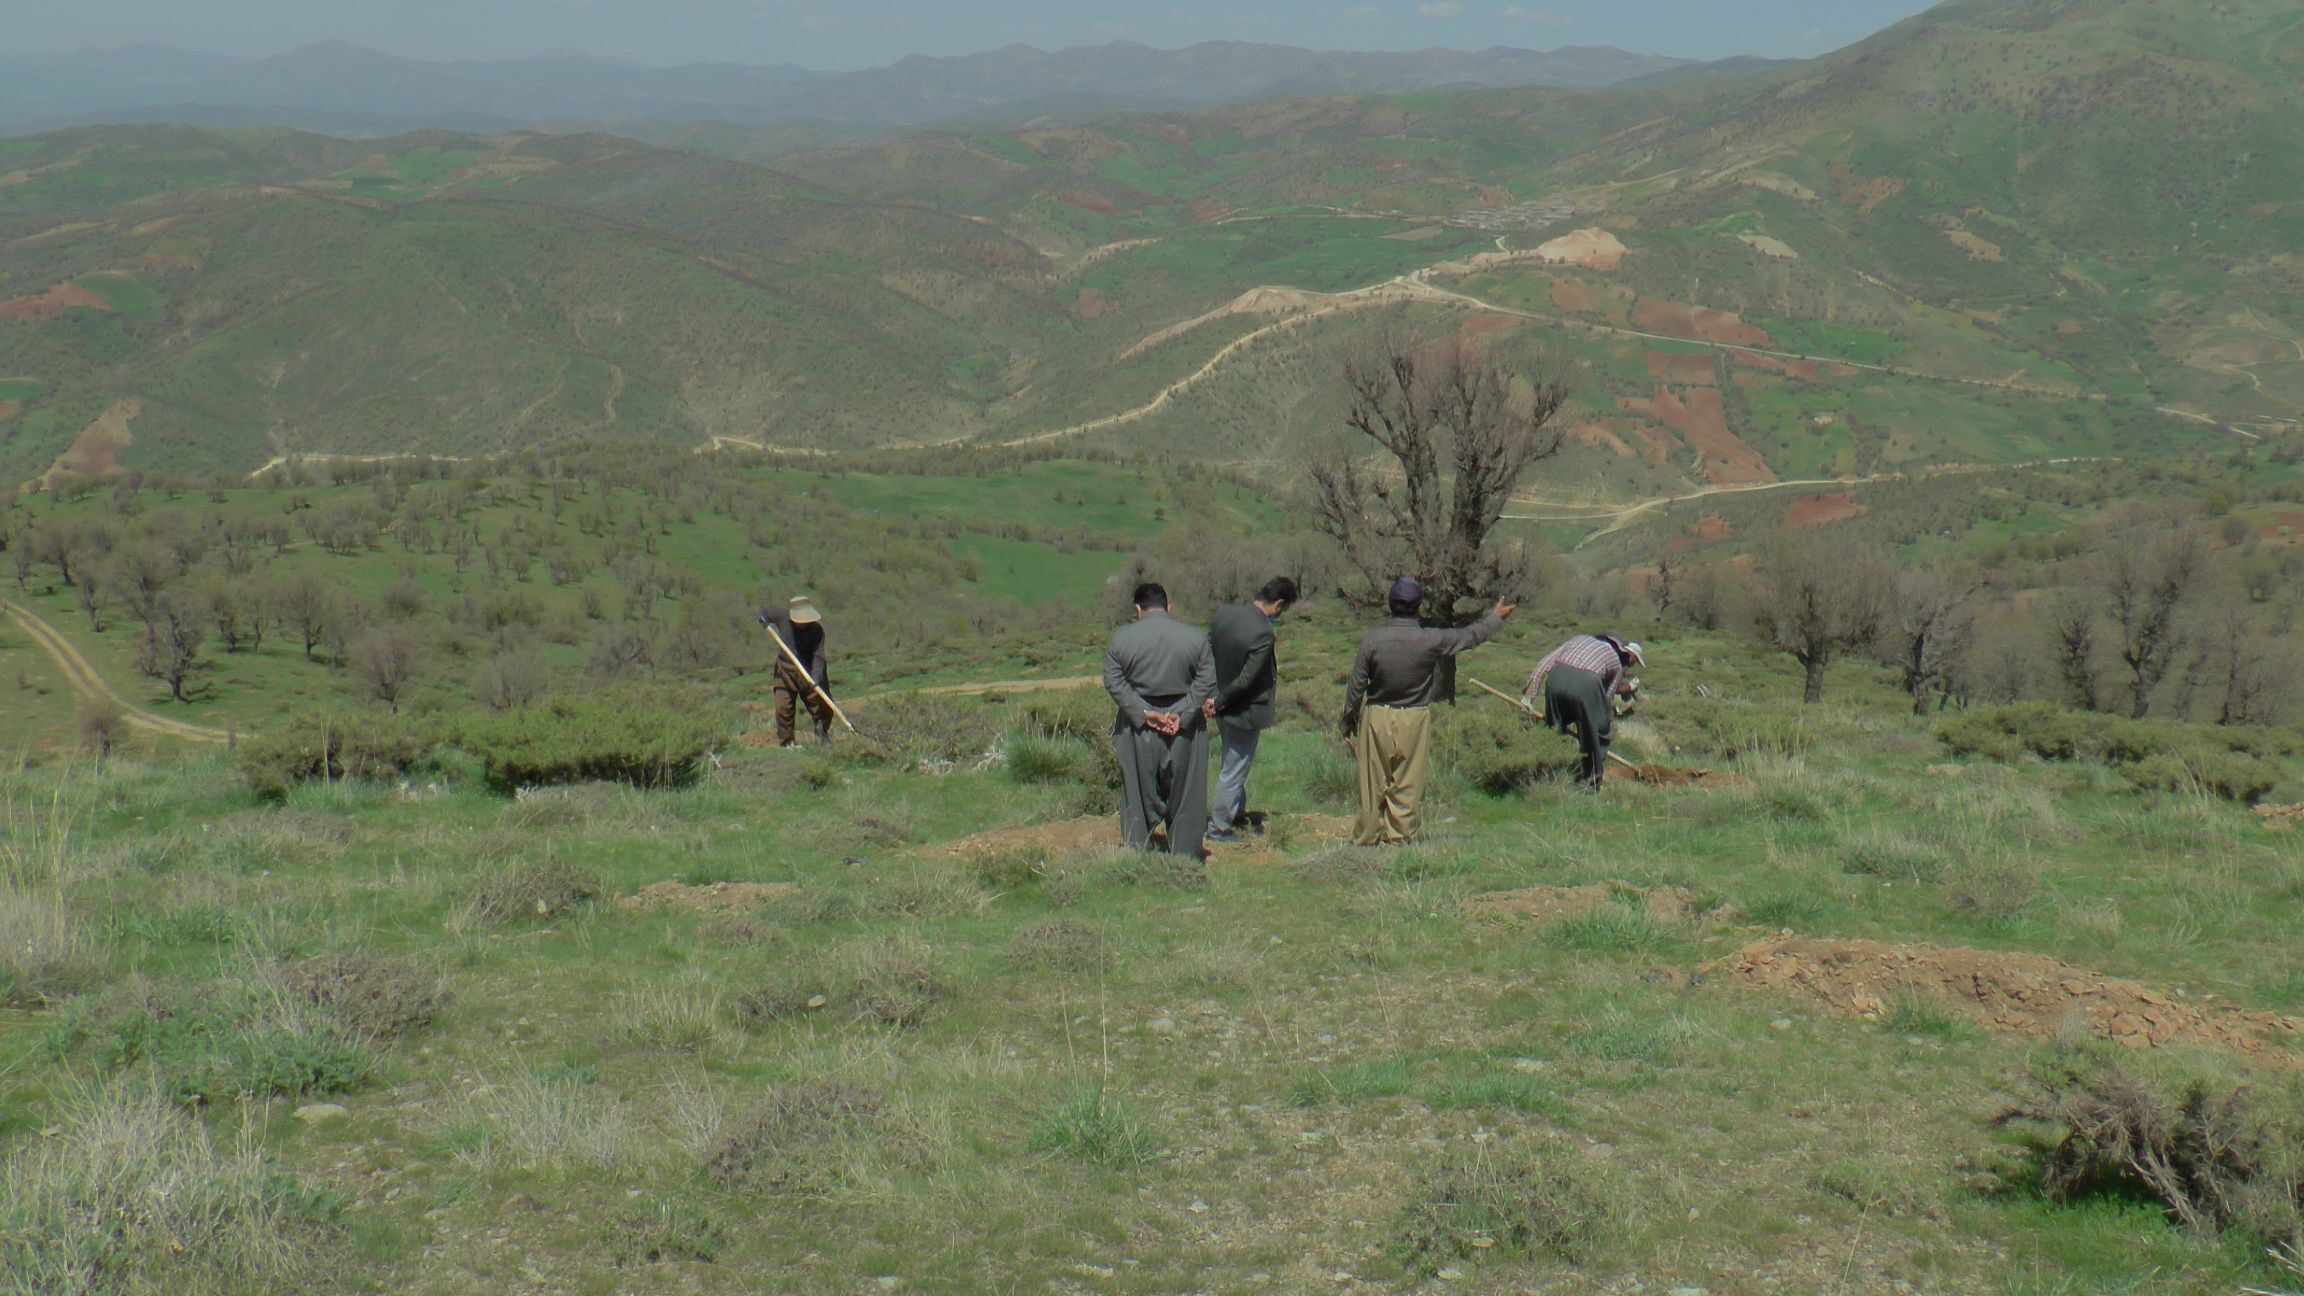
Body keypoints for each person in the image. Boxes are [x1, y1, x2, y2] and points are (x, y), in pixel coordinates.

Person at [1339, 578, 1514, 846]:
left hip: (1376, 716)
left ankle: (1365, 839)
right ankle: (1401, 837)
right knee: (1408, 783)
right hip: (1414, 716)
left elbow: (1356, 687)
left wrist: (1349, 720)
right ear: (1419, 606)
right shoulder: (1430, 639)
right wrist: (1494, 618)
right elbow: (1469, 637)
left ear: (1390, 605)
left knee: (1371, 783)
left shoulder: (1372, 640)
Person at [1103, 582, 1218, 855]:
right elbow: (1207, 678)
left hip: (1137, 727)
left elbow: (1113, 679)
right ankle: (1185, 856)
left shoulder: (1121, 639)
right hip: (1185, 728)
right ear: (1169, 607)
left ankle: (1136, 853)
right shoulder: (1195, 637)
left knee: (1135, 792)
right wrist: (1185, 712)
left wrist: (1144, 712)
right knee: (1188, 795)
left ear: (1137, 609)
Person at [1204, 577, 1298, 842]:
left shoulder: (1225, 613)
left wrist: (1212, 697)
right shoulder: (1264, 633)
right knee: (1234, 770)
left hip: (1218, 702)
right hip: (1241, 710)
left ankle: (1236, 811)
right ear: (1279, 604)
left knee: (1233, 762)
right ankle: (1219, 827)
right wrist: (1221, 701)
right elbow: (1247, 679)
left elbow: (1207, 650)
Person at [1522, 633, 1644, 788]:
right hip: (1587, 684)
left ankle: (1546, 772)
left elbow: (1545, 664)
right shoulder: (1616, 662)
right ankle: (1589, 782)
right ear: (1628, 654)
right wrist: (1601, 722)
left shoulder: (1578, 639)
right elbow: (1606, 699)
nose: (1632, 664)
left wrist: (1529, 697)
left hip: (1556, 679)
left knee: (1554, 728)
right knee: (1598, 735)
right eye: (1634, 661)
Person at [757, 595, 833, 748]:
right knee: (783, 707)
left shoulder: (817, 631)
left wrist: (817, 676)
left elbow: (819, 656)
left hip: (809, 671)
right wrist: (762, 618)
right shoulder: (782, 616)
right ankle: (787, 742)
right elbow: (761, 610)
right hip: (785, 669)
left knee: (821, 706)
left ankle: (822, 733)